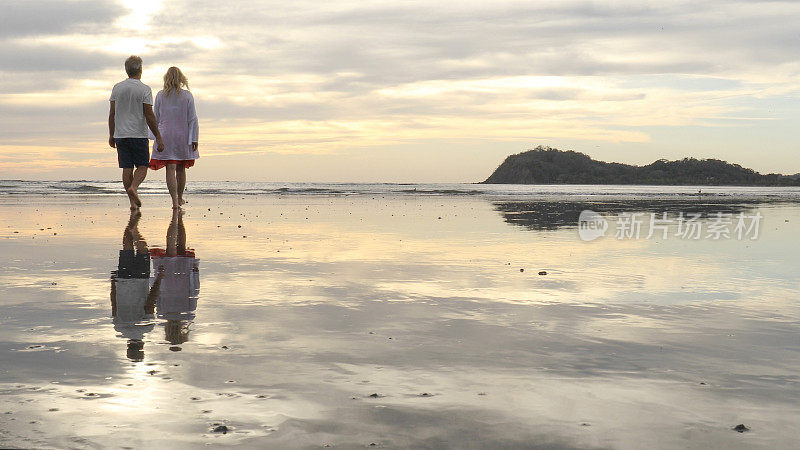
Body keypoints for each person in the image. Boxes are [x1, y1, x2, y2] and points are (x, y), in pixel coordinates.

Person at [109, 55, 165, 210]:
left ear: (126, 70)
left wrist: (111, 134)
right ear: (140, 70)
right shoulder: (144, 89)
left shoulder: (117, 88)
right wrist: (158, 137)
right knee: (142, 166)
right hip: (138, 135)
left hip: (121, 135)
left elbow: (112, 113)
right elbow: (149, 115)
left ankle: (132, 204)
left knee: (127, 168)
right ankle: (134, 187)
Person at [110, 211, 164, 361]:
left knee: (143, 250)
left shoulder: (146, 327)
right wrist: (113, 283)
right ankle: (132, 217)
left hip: (140, 280)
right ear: (128, 346)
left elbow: (150, 303)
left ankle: (134, 226)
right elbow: (114, 304)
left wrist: (159, 279)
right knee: (127, 244)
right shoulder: (118, 327)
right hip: (122, 280)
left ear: (142, 347)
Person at [148, 66, 199, 209]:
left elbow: (155, 117)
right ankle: (180, 198)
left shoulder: (160, 95)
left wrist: (154, 137)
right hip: (182, 134)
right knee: (181, 168)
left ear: (166, 78)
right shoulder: (187, 95)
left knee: (170, 168)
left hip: (165, 134)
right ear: (181, 78)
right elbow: (192, 119)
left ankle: (174, 200)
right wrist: (194, 138)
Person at [150, 209, 200, 346]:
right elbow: (157, 296)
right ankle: (175, 219)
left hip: (182, 277)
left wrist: (195, 273)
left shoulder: (189, 315)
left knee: (181, 246)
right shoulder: (162, 315)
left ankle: (178, 219)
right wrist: (157, 277)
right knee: (171, 247)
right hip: (167, 278)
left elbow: (194, 292)